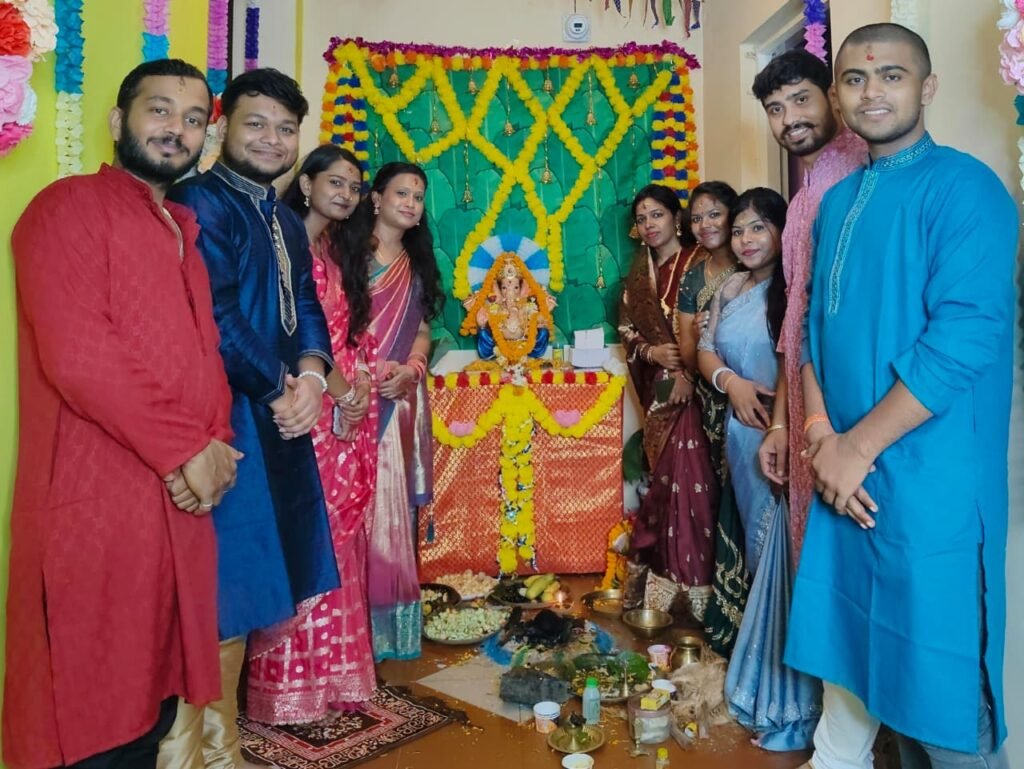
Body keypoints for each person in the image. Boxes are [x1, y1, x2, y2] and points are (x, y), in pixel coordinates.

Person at [787, 23, 1016, 769]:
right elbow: (815, 329)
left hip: (927, 489)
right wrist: (819, 433)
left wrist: (853, 448)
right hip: (848, 482)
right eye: (855, 78)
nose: (872, 91)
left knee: (943, 707)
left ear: (927, 87)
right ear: (837, 97)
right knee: (871, 678)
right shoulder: (837, 201)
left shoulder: (966, 188)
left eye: (892, 74)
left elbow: (965, 340)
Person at [4, 59, 236, 768]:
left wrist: (216, 449)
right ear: (117, 121)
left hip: (177, 512)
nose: (176, 130)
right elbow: (79, 355)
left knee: (153, 710)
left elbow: (206, 359)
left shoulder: (182, 231)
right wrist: (188, 452)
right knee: (92, 720)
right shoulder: (66, 207)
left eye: (192, 120)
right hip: (97, 507)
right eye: (159, 110)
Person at [162, 69, 339, 767]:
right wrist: (280, 391)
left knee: (255, 581)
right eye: (256, 124)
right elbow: (218, 316)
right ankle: (191, 752)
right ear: (221, 127)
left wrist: (315, 378)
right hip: (226, 419)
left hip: (278, 417)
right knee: (223, 587)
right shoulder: (198, 202)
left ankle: (220, 745)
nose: (272, 140)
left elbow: (308, 305)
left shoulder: (284, 217)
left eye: (285, 128)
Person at [246, 145, 379, 723]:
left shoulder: (335, 250)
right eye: (336, 182)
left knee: (339, 548)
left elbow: (348, 336)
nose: (346, 194)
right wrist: (344, 394)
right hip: (304, 410)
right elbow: (297, 338)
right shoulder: (287, 248)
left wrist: (359, 391)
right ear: (305, 184)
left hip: (340, 413)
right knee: (309, 542)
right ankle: (290, 691)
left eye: (354, 186)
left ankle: (335, 680)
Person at [697, 187, 820, 750]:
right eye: (739, 229)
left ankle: (790, 693)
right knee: (755, 551)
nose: (746, 240)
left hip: (779, 437)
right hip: (739, 435)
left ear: (782, 232)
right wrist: (731, 383)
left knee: (783, 556)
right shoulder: (730, 287)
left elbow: (794, 363)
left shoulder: (792, 291)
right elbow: (705, 351)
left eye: (758, 228)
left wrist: (777, 422)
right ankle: (763, 665)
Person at [751, 49, 866, 563]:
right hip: (804, 401)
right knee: (813, 549)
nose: (789, 118)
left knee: (846, 550)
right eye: (776, 109)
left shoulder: (861, 172)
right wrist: (781, 422)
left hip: (846, 405)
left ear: (833, 98)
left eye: (801, 100)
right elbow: (794, 325)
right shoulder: (803, 195)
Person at [340, 161, 442, 661]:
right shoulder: (347, 255)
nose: (410, 203)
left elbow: (421, 329)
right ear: (375, 198)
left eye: (417, 197)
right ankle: (349, 630)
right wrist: (360, 376)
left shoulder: (417, 262)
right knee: (356, 511)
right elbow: (334, 326)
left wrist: (413, 369)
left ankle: (387, 634)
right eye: (401, 193)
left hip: (400, 400)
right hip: (353, 399)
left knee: (392, 513)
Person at [619, 183, 717, 592]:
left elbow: (717, 320)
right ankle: (663, 574)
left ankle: (695, 581)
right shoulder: (637, 278)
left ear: (676, 218)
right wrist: (652, 353)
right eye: (641, 219)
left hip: (699, 388)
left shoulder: (701, 262)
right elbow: (626, 329)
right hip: (659, 390)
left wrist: (688, 374)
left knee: (694, 482)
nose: (649, 224)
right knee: (664, 482)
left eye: (657, 214)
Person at [676, 181, 748, 653]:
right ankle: (727, 610)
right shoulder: (693, 278)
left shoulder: (755, 266)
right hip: (713, 401)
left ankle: (757, 613)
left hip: (758, 396)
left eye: (714, 214)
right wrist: (703, 334)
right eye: (697, 218)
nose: (705, 225)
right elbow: (687, 353)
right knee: (724, 498)